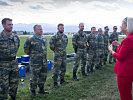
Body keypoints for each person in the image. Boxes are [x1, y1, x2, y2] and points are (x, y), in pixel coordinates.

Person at [109, 17, 133, 100]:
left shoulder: (128, 40)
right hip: (129, 71)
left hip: (125, 73)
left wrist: (111, 50)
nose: (120, 26)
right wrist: (120, 45)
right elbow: (128, 51)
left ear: (127, 26)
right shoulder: (130, 38)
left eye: (122, 24)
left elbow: (120, 57)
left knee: (125, 96)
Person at [24, 25, 49, 97]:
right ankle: (33, 92)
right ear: (35, 30)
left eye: (41, 29)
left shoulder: (44, 39)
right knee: (34, 78)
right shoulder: (30, 39)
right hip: (35, 62)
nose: (41, 30)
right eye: (39, 29)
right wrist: (34, 56)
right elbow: (26, 50)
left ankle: (41, 89)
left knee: (43, 76)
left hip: (44, 61)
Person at [0, 18, 20, 100]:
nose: (11, 26)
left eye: (12, 24)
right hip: (3, 64)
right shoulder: (0, 37)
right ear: (3, 25)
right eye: (9, 24)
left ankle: (13, 97)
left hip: (14, 63)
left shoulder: (15, 37)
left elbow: (17, 47)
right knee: (3, 85)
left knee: (14, 83)